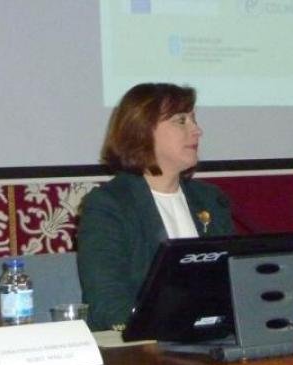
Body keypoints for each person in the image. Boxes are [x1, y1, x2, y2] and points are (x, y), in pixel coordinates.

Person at [77, 83, 233, 331]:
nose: (197, 130)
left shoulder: (210, 199)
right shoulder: (109, 205)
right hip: (148, 348)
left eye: (193, 119)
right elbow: (107, 303)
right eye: (181, 121)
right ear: (142, 131)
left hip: (212, 339)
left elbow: (234, 282)